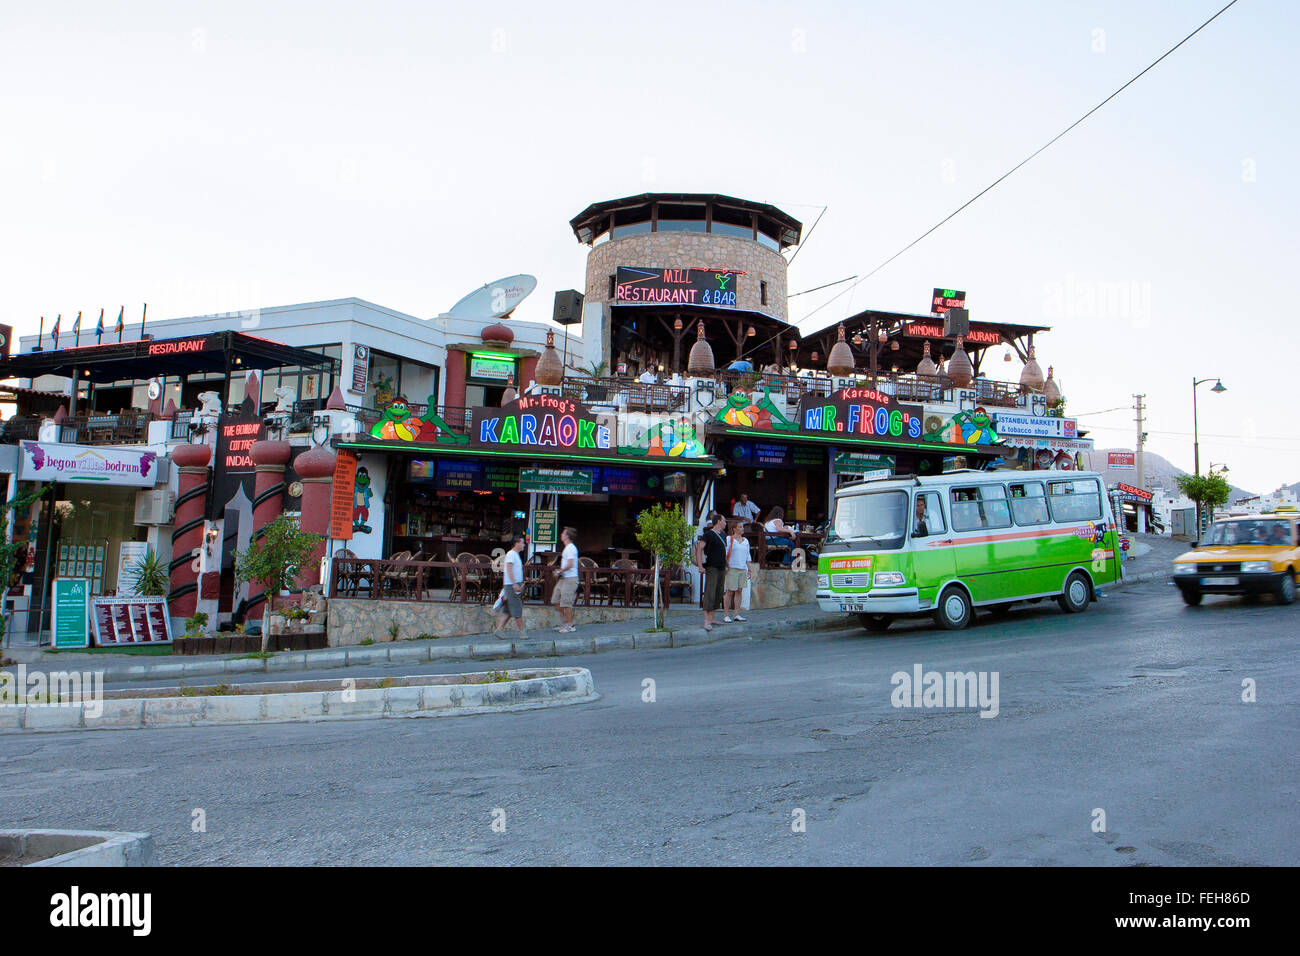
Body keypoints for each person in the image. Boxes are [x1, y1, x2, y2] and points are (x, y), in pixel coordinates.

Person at [694, 512, 728, 631]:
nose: (725, 523)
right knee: (710, 592)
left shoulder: (723, 534)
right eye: (724, 520)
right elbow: (699, 549)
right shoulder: (708, 535)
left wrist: (726, 565)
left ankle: (712, 618)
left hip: (721, 567)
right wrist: (700, 566)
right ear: (718, 521)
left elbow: (724, 552)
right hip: (712, 566)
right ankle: (706, 621)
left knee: (718, 592)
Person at [493, 535, 529, 640]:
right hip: (511, 586)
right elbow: (509, 569)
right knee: (517, 608)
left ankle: (499, 630)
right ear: (516, 543)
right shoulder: (511, 554)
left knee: (508, 610)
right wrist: (514, 584)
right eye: (522, 543)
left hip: (512, 585)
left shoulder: (515, 555)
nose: (524, 545)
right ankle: (522, 632)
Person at [723, 521, 751, 623]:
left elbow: (748, 555)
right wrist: (727, 565)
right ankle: (726, 615)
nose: (742, 528)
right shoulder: (729, 539)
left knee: (739, 591)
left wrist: (749, 569)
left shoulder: (746, 541)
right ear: (734, 529)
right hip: (732, 568)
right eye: (740, 527)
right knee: (730, 591)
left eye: (742, 527)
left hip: (742, 568)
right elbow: (725, 553)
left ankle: (736, 614)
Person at [555, 527, 579, 633]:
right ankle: (565, 623)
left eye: (563, 533)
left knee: (566, 603)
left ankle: (570, 625)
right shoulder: (567, 548)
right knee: (555, 600)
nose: (561, 534)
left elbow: (570, 564)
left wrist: (559, 571)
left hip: (570, 578)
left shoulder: (571, 548)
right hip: (564, 578)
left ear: (567, 536)